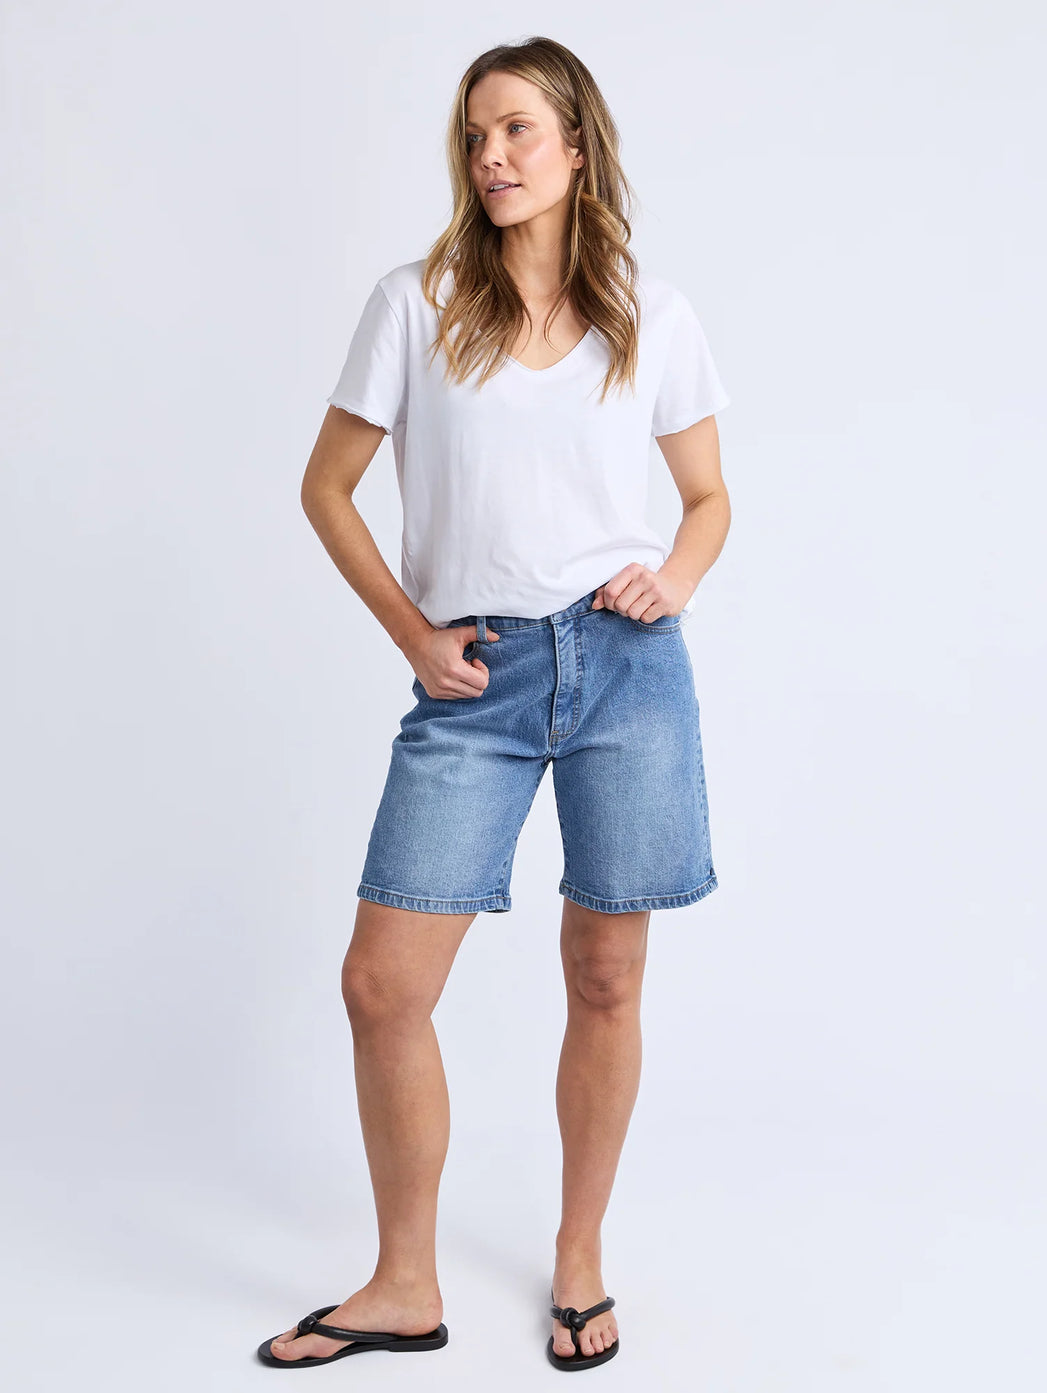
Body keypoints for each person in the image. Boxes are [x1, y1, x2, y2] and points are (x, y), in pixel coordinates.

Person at [257, 35, 732, 1373]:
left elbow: (708, 499)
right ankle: (405, 1280)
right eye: (476, 137)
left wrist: (675, 579)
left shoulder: (651, 312)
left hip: (627, 673)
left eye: (518, 131)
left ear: (578, 146)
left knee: (605, 973)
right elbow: (326, 487)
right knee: (382, 984)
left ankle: (580, 1257)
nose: (492, 158)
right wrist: (413, 632)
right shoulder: (416, 304)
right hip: (472, 681)